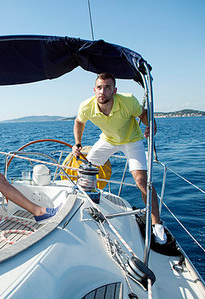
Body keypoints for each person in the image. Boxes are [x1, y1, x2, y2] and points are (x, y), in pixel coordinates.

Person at [72, 73, 167, 245]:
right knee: (86, 170)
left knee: (141, 180)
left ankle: (156, 224)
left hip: (132, 140)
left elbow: (144, 114)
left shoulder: (128, 101)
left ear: (114, 90)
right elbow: (79, 122)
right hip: (107, 140)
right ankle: (82, 204)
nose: (103, 91)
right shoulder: (86, 106)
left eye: (107, 87)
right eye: (99, 87)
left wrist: (150, 125)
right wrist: (77, 143)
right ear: (94, 90)